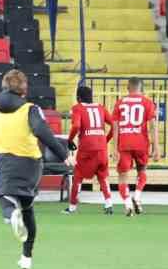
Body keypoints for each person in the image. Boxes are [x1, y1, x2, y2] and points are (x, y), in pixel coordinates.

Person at [0, 70, 70, 269]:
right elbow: (44, 133)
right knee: (28, 208)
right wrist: (63, 154)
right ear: (24, 89)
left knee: (6, 199)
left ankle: (10, 215)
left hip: (3, 162)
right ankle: (26, 256)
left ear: (3, 86)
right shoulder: (30, 110)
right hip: (31, 165)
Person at [65, 84, 116, 216]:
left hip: (87, 148)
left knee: (78, 176)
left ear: (78, 98)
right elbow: (114, 125)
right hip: (101, 148)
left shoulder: (78, 108)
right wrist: (106, 140)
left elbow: (76, 125)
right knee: (103, 175)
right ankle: (109, 203)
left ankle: (72, 207)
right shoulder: (100, 108)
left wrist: (70, 140)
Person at [114, 79, 159, 215]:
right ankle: (137, 196)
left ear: (128, 88)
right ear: (141, 88)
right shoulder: (147, 102)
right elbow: (152, 126)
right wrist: (156, 147)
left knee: (122, 176)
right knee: (142, 171)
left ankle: (128, 204)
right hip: (141, 143)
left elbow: (115, 126)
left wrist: (114, 148)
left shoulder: (120, 102)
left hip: (124, 142)